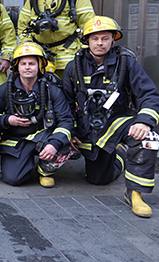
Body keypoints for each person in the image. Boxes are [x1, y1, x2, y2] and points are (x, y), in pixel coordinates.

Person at [63, 16, 159, 218]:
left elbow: (148, 94)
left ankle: (135, 194)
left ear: (113, 40)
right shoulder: (74, 67)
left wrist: (143, 121)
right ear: (87, 40)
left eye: (105, 38)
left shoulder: (127, 64)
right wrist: (69, 130)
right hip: (88, 126)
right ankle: (122, 155)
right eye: (95, 38)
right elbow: (65, 102)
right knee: (97, 179)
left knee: (148, 139)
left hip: (120, 121)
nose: (100, 43)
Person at [0, 42, 74, 187]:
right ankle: (21, 163)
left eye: (32, 63)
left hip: (43, 136)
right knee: (13, 179)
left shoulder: (53, 91)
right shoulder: (3, 90)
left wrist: (54, 144)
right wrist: (7, 120)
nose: (27, 67)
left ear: (40, 66)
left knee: (62, 146)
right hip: (16, 138)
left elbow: (66, 121)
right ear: (16, 67)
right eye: (23, 63)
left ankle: (45, 170)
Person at [18, 0, 95, 77]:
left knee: (69, 92)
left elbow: (89, 26)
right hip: (41, 58)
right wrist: (28, 45)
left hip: (69, 57)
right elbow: (23, 26)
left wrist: (84, 53)